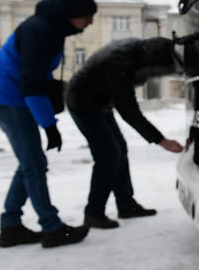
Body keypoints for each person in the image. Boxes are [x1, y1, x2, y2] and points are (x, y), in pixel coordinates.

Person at [0, 0, 97, 249]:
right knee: (34, 166)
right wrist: (49, 125)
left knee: (29, 163)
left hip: (17, 99)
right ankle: (52, 228)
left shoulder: (53, 26)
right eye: (88, 16)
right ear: (72, 15)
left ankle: (10, 226)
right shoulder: (40, 31)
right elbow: (31, 84)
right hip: (11, 101)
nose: (91, 22)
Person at [65, 37, 184, 229]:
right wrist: (161, 140)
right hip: (83, 102)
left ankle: (126, 205)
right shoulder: (119, 63)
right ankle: (94, 213)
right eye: (156, 71)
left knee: (119, 149)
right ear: (151, 62)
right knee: (109, 155)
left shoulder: (137, 52)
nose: (155, 75)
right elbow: (128, 110)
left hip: (99, 101)